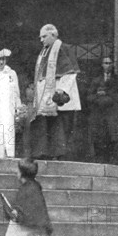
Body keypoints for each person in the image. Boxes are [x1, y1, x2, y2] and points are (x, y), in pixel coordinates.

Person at [30, 24, 81, 160]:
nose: (41, 40)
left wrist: (61, 90)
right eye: (40, 37)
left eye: (44, 36)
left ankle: (60, 155)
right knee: (48, 125)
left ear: (53, 35)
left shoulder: (63, 48)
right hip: (45, 96)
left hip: (59, 95)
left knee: (61, 127)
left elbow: (70, 72)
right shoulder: (44, 52)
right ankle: (46, 153)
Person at [1, 158, 53, 236]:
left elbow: (30, 213)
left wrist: (18, 215)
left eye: (18, 170)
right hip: (31, 234)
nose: (16, 172)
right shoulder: (32, 187)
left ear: (22, 173)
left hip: (29, 235)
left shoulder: (29, 189)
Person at [86, 56, 118, 165]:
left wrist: (108, 93)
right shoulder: (96, 81)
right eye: (105, 63)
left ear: (113, 64)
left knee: (115, 138)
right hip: (99, 115)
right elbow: (88, 97)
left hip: (114, 115)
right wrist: (97, 95)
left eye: (110, 63)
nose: (108, 65)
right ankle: (100, 162)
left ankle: (114, 162)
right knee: (100, 139)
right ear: (102, 65)